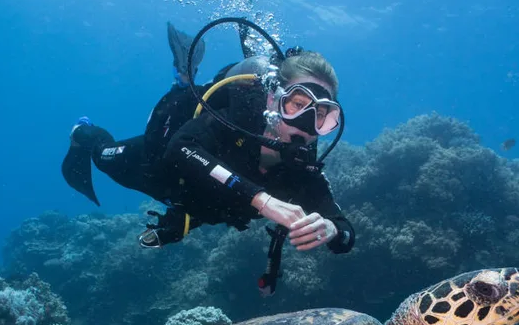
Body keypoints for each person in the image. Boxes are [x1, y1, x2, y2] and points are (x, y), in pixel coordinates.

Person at [61, 21, 355, 261]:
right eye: (297, 104)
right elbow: (181, 147)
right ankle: (82, 132)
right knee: (102, 155)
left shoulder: (301, 164)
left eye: (322, 115)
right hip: (159, 166)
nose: (306, 124)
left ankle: (184, 215)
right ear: (273, 98)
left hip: (201, 202)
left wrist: (331, 229)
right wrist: (262, 200)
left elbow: (345, 234)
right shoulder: (237, 118)